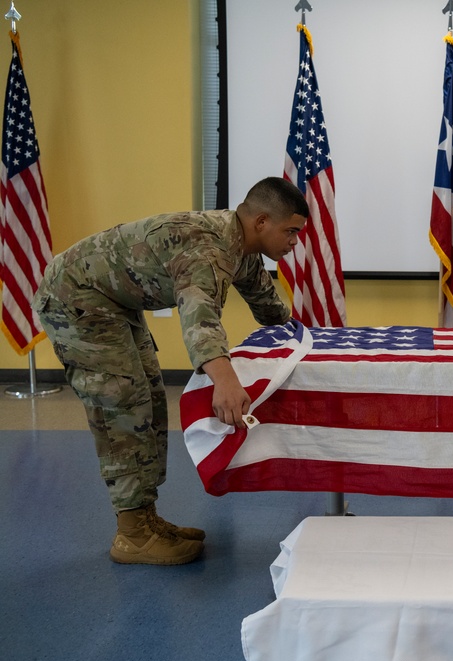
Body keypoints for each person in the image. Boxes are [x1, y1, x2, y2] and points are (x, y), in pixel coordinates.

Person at [33, 176, 308, 565]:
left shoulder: (240, 247)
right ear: (262, 222)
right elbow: (200, 318)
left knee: (148, 397)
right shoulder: (208, 249)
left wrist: (308, 341)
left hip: (111, 302)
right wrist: (225, 382)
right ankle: (132, 536)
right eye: (291, 231)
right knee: (124, 408)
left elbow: (268, 304)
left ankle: (144, 519)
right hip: (74, 298)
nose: (295, 241)